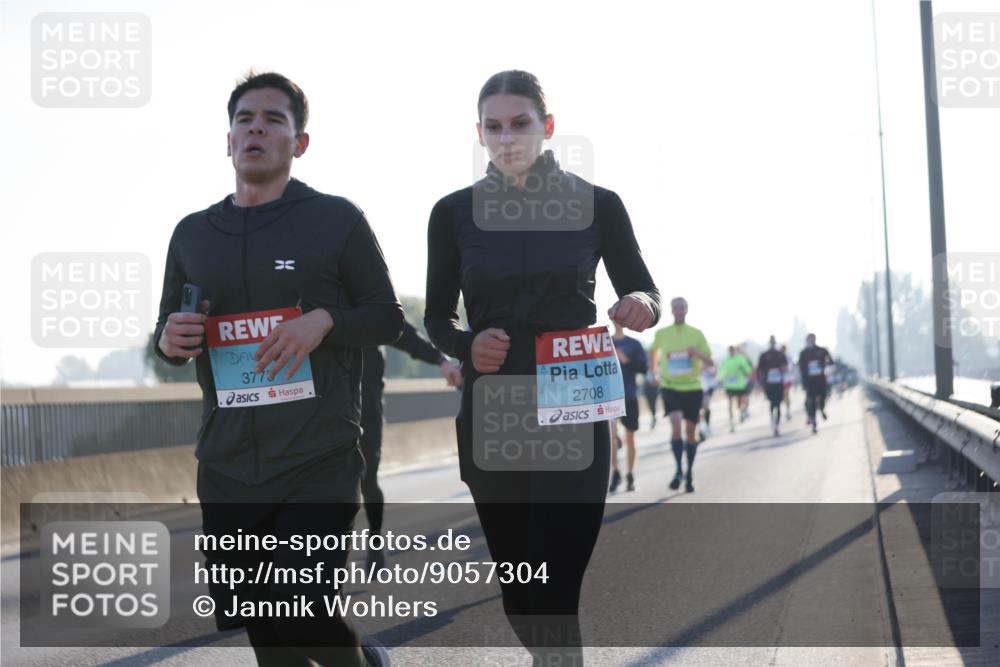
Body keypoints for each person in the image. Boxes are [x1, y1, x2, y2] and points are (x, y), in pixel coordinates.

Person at [154, 72, 403, 667]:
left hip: (318, 455)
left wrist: (324, 320)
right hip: (227, 463)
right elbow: (166, 335)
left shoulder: (336, 219)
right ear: (229, 140)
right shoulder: (192, 234)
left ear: (300, 142)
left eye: (273, 119)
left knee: (302, 609)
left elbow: (387, 318)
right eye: (244, 119)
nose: (256, 129)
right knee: (265, 628)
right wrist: (169, 341)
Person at [424, 70, 660, 663]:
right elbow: (436, 318)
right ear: (479, 133)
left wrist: (639, 305)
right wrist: (466, 345)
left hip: (574, 404)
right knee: (520, 596)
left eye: (520, 124)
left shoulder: (598, 204)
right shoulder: (452, 213)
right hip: (494, 412)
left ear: (547, 126)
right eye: (494, 126)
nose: (507, 138)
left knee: (555, 592)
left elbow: (645, 290)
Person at [361, 320, 461, 569]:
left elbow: (404, 334)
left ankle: (375, 541)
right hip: (324, 411)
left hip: (366, 408)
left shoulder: (369, 305)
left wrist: (440, 360)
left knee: (368, 479)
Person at [649, 297, 713, 493]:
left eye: (682, 307)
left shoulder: (696, 334)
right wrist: (653, 372)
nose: (679, 310)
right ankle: (678, 470)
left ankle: (689, 473)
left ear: (687, 309)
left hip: (692, 388)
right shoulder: (662, 333)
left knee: (691, 433)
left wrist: (696, 353)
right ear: (671, 310)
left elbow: (710, 362)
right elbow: (653, 351)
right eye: (676, 307)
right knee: (676, 424)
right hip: (670, 387)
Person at [609, 321, 647, 493]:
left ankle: (630, 475)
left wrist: (626, 360)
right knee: (611, 438)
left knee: (630, 437)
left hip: (629, 396)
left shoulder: (634, 344)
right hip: (610, 398)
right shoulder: (605, 342)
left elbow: (644, 368)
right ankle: (615, 473)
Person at [798, 333, 834, 434]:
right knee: (811, 400)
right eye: (809, 339)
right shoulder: (803, 353)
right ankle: (813, 421)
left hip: (821, 379)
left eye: (812, 339)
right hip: (809, 381)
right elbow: (800, 367)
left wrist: (824, 363)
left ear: (815, 339)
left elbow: (831, 361)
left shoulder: (821, 350)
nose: (811, 341)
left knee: (822, 397)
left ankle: (821, 409)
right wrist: (803, 381)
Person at [757, 336, 789, 437]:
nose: (772, 343)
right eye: (771, 342)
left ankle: (777, 424)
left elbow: (786, 367)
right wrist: (761, 383)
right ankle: (772, 421)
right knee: (772, 403)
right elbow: (760, 370)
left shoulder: (780, 354)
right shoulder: (764, 355)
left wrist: (782, 370)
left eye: (773, 342)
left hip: (779, 383)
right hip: (769, 384)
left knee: (778, 404)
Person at [717, 346, 753, 433]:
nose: (731, 352)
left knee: (739, 403)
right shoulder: (725, 360)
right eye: (730, 351)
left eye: (732, 350)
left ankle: (741, 412)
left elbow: (747, 369)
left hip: (739, 385)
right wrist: (720, 378)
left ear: (734, 351)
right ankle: (731, 422)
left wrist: (746, 372)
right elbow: (721, 371)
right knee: (729, 403)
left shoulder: (740, 359)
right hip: (729, 386)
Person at [699, 364, 717, 442]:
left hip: (709, 386)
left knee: (706, 405)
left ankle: (707, 425)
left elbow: (715, 373)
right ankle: (701, 428)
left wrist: (706, 368)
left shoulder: (710, 362)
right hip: (699, 387)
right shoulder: (696, 361)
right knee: (699, 408)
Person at [781, 343, 795, 420]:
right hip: (783, 379)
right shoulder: (779, 356)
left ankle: (788, 411)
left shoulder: (788, 356)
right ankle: (788, 410)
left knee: (786, 394)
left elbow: (790, 367)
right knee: (785, 395)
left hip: (787, 378)